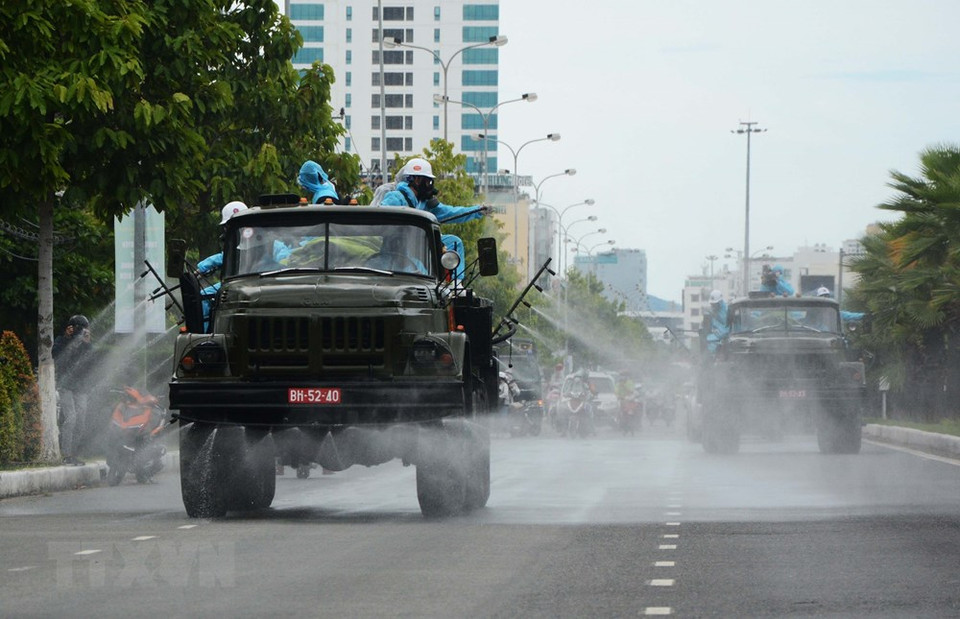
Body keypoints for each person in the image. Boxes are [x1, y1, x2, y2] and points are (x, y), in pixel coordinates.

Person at [378, 158, 490, 280]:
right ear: (416, 179)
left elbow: (450, 212)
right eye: (427, 181)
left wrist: (477, 211)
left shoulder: (425, 203)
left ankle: (455, 284)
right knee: (421, 273)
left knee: (454, 242)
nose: (429, 186)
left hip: (420, 245)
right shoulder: (396, 198)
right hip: (400, 250)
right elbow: (381, 218)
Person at [52, 315, 93, 465]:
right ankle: (66, 454)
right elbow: (54, 354)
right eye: (77, 328)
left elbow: (92, 362)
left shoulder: (85, 343)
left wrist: (88, 344)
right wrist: (65, 337)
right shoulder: (62, 340)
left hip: (80, 387)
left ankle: (74, 453)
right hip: (65, 385)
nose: (79, 331)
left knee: (81, 419)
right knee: (71, 417)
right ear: (70, 327)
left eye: (83, 329)